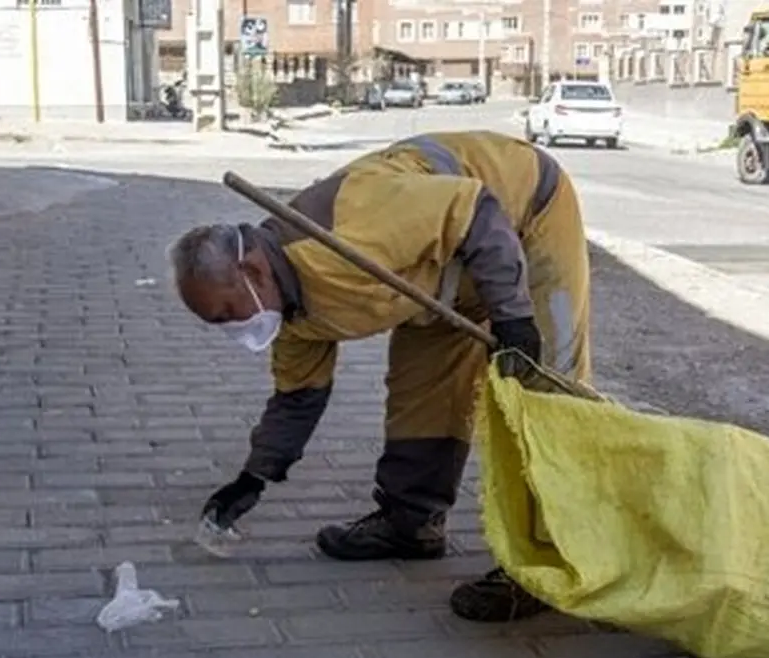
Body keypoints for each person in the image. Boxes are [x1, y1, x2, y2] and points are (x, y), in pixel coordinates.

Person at [166, 130, 592, 623]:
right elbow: (298, 399)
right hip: (440, 267)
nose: (235, 329)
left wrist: (514, 317)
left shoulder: (351, 225)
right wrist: (253, 477)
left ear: (253, 272)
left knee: (547, 394)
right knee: (423, 394)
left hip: (520, 215)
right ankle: (411, 524)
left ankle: (544, 565)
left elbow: (474, 210)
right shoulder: (292, 314)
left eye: (227, 314)